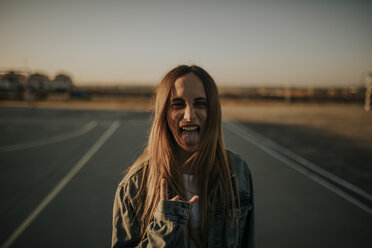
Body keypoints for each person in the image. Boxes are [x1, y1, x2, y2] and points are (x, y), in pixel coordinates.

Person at [111, 65, 255, 248]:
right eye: (177, 104)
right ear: (164, 113)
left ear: (213, 112)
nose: (189, 115)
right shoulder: (134, 186)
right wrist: (163, 229)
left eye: (200, 103)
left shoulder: (237, 171)